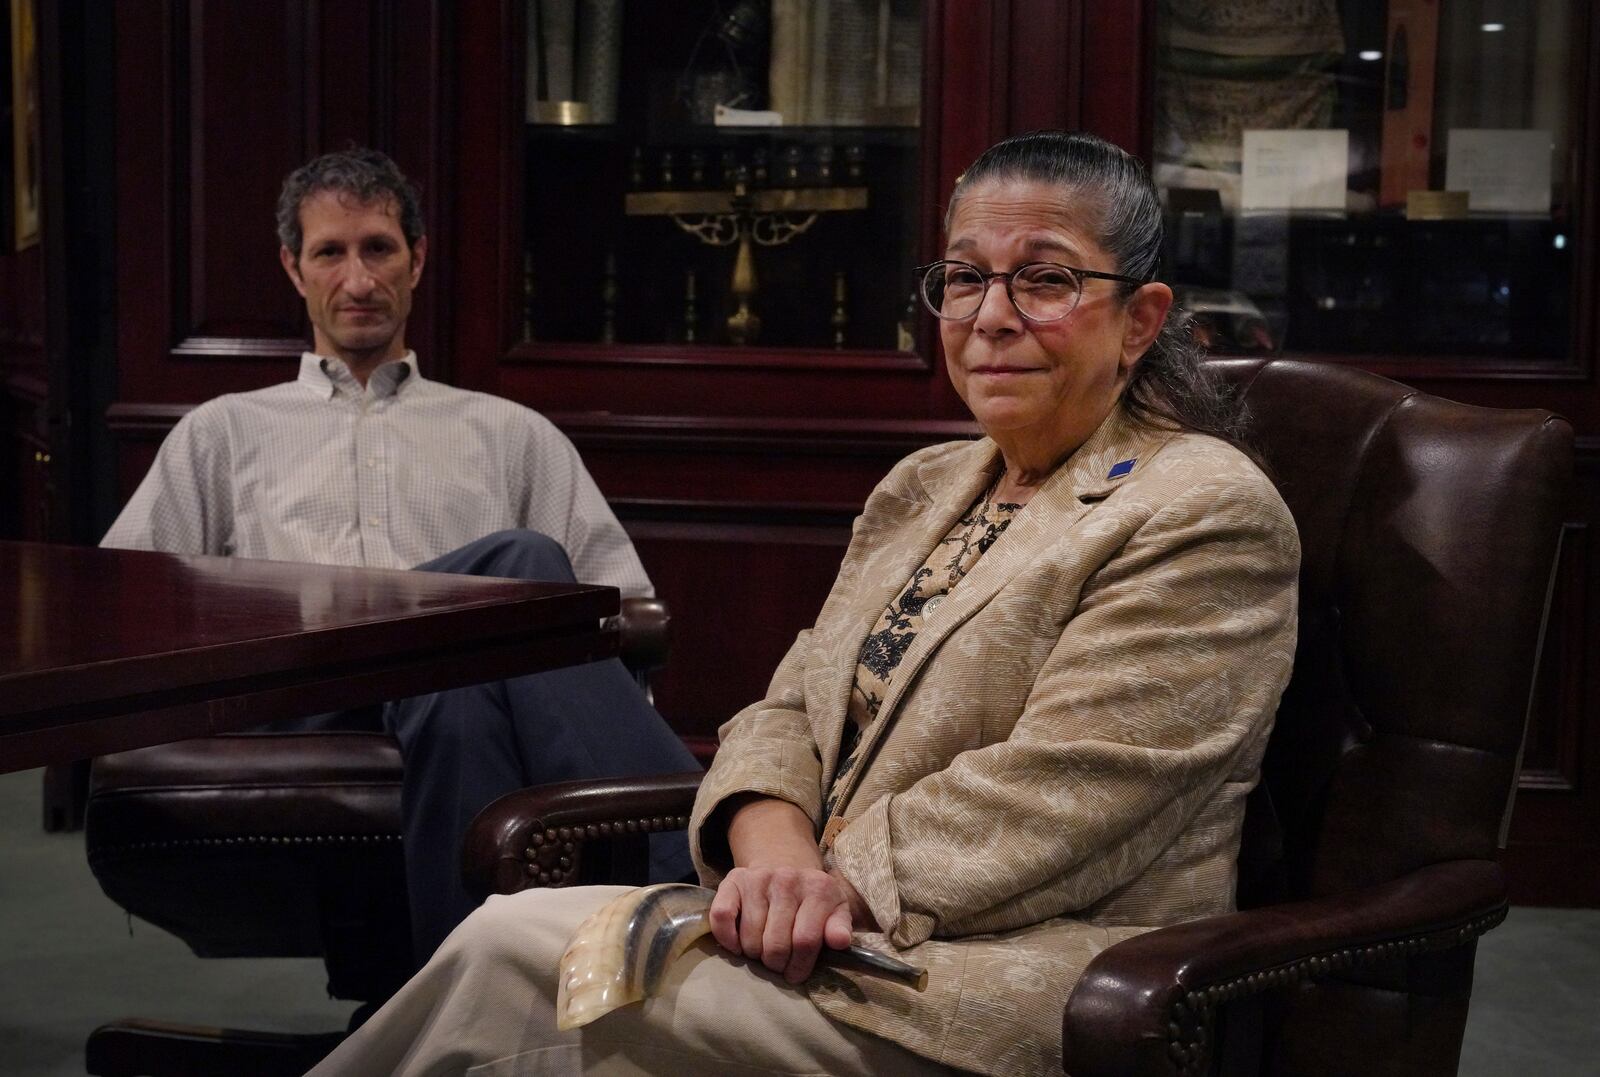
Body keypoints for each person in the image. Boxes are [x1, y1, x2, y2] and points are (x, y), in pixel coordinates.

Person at [305, 130, 1301, 1077]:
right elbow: (788, 708)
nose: (992, 315)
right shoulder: (923, 485)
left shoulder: (1200, 507)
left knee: (519, 960)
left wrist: (806, 884)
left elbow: (1063, 796)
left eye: (1045, 278)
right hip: (806, 923)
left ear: (1139, 318)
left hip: (1017, 972)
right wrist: (767, 841)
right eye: (962, 278)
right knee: (516, 960)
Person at [100, 147, 698, 966]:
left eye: (378, 248)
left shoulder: (508, 432)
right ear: (291, 267)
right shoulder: (223, 431)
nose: (356, 279)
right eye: (329, 252)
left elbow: (614, 604)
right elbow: (119, 598)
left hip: (448, 693)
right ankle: (691, 857)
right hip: (295, 692)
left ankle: (452, 1008)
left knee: (456, 691)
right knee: (520, 561)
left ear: (416, 259)